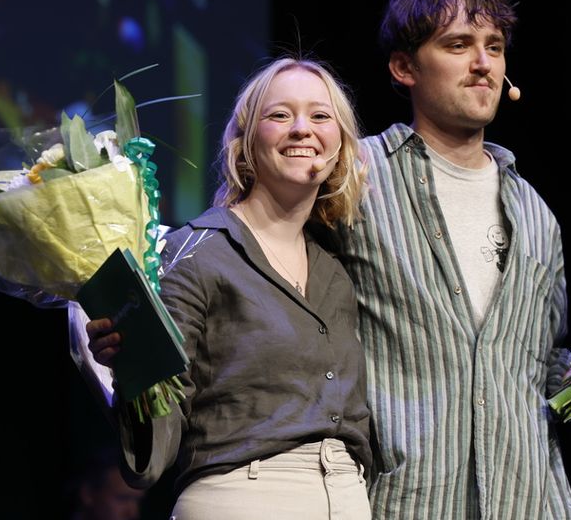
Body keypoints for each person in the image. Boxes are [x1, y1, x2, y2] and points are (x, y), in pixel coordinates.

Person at [332, 0, 571, 519]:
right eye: (458, 45)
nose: (484, 64)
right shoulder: (352, 178)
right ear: (404, 67)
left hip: (527, 500)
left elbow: (538, 370)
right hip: (405, 501)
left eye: (494, 48)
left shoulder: (535, 213)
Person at [86, 57, 372, 519]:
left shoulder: (336, 273)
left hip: (347, 497)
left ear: (340, 144)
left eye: (321, 116)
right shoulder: (195, 253)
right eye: (280, 115)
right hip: (246, 497)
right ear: (244, 144)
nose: (302, 129)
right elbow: (158, 434)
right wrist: (132, 361)